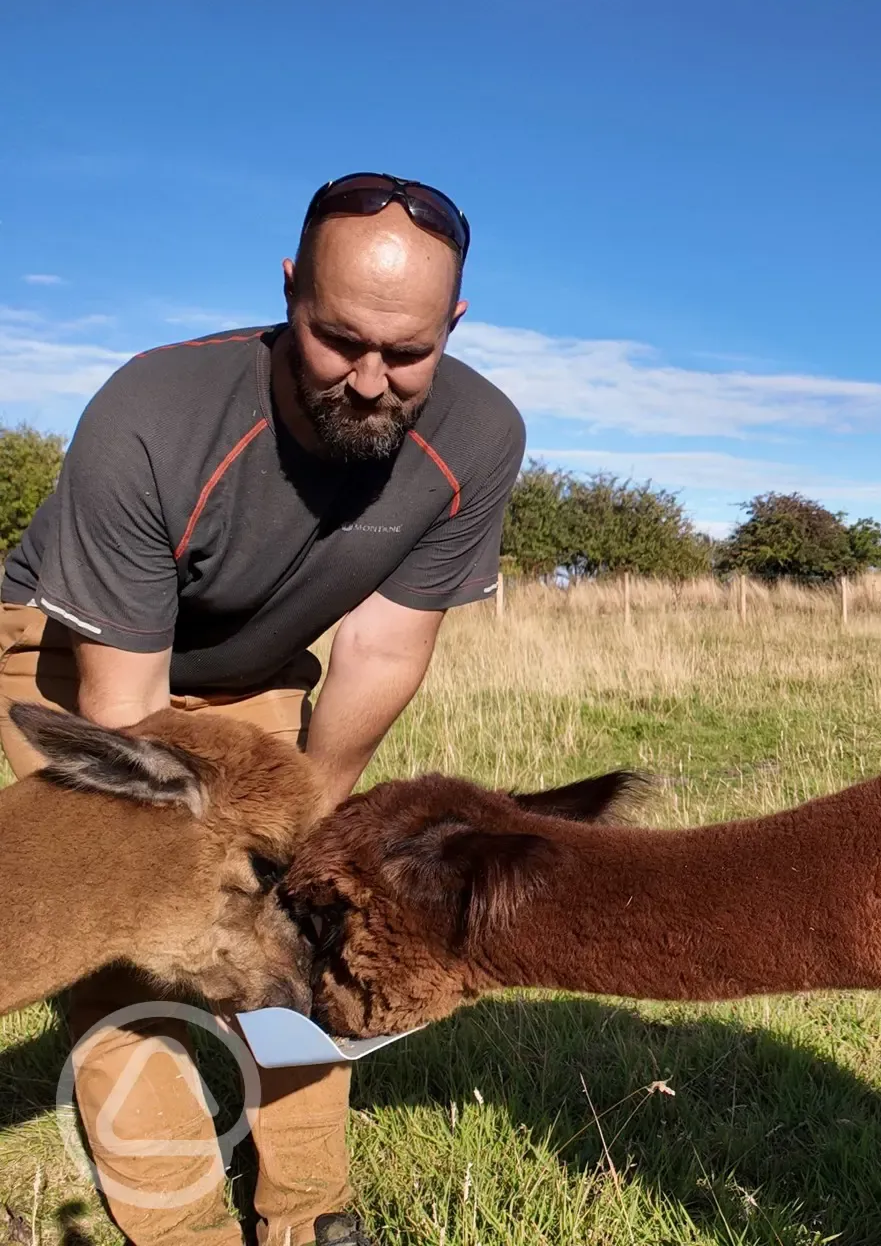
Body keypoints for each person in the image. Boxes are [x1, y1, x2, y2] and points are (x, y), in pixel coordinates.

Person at [0, 172, 525, 1246]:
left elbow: (381, 644)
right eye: (337, 340)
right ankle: (183, 1226)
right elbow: (127, 706)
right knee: (117, 942)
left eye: (408, 354)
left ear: (453, 325)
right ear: (289, 290)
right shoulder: (153, 416)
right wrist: (194, 876)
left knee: (299, 931)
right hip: (78, 668)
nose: (370, 380)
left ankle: (309, 1212)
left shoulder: (477, 439)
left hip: (253, 674)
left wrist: (305, 841)